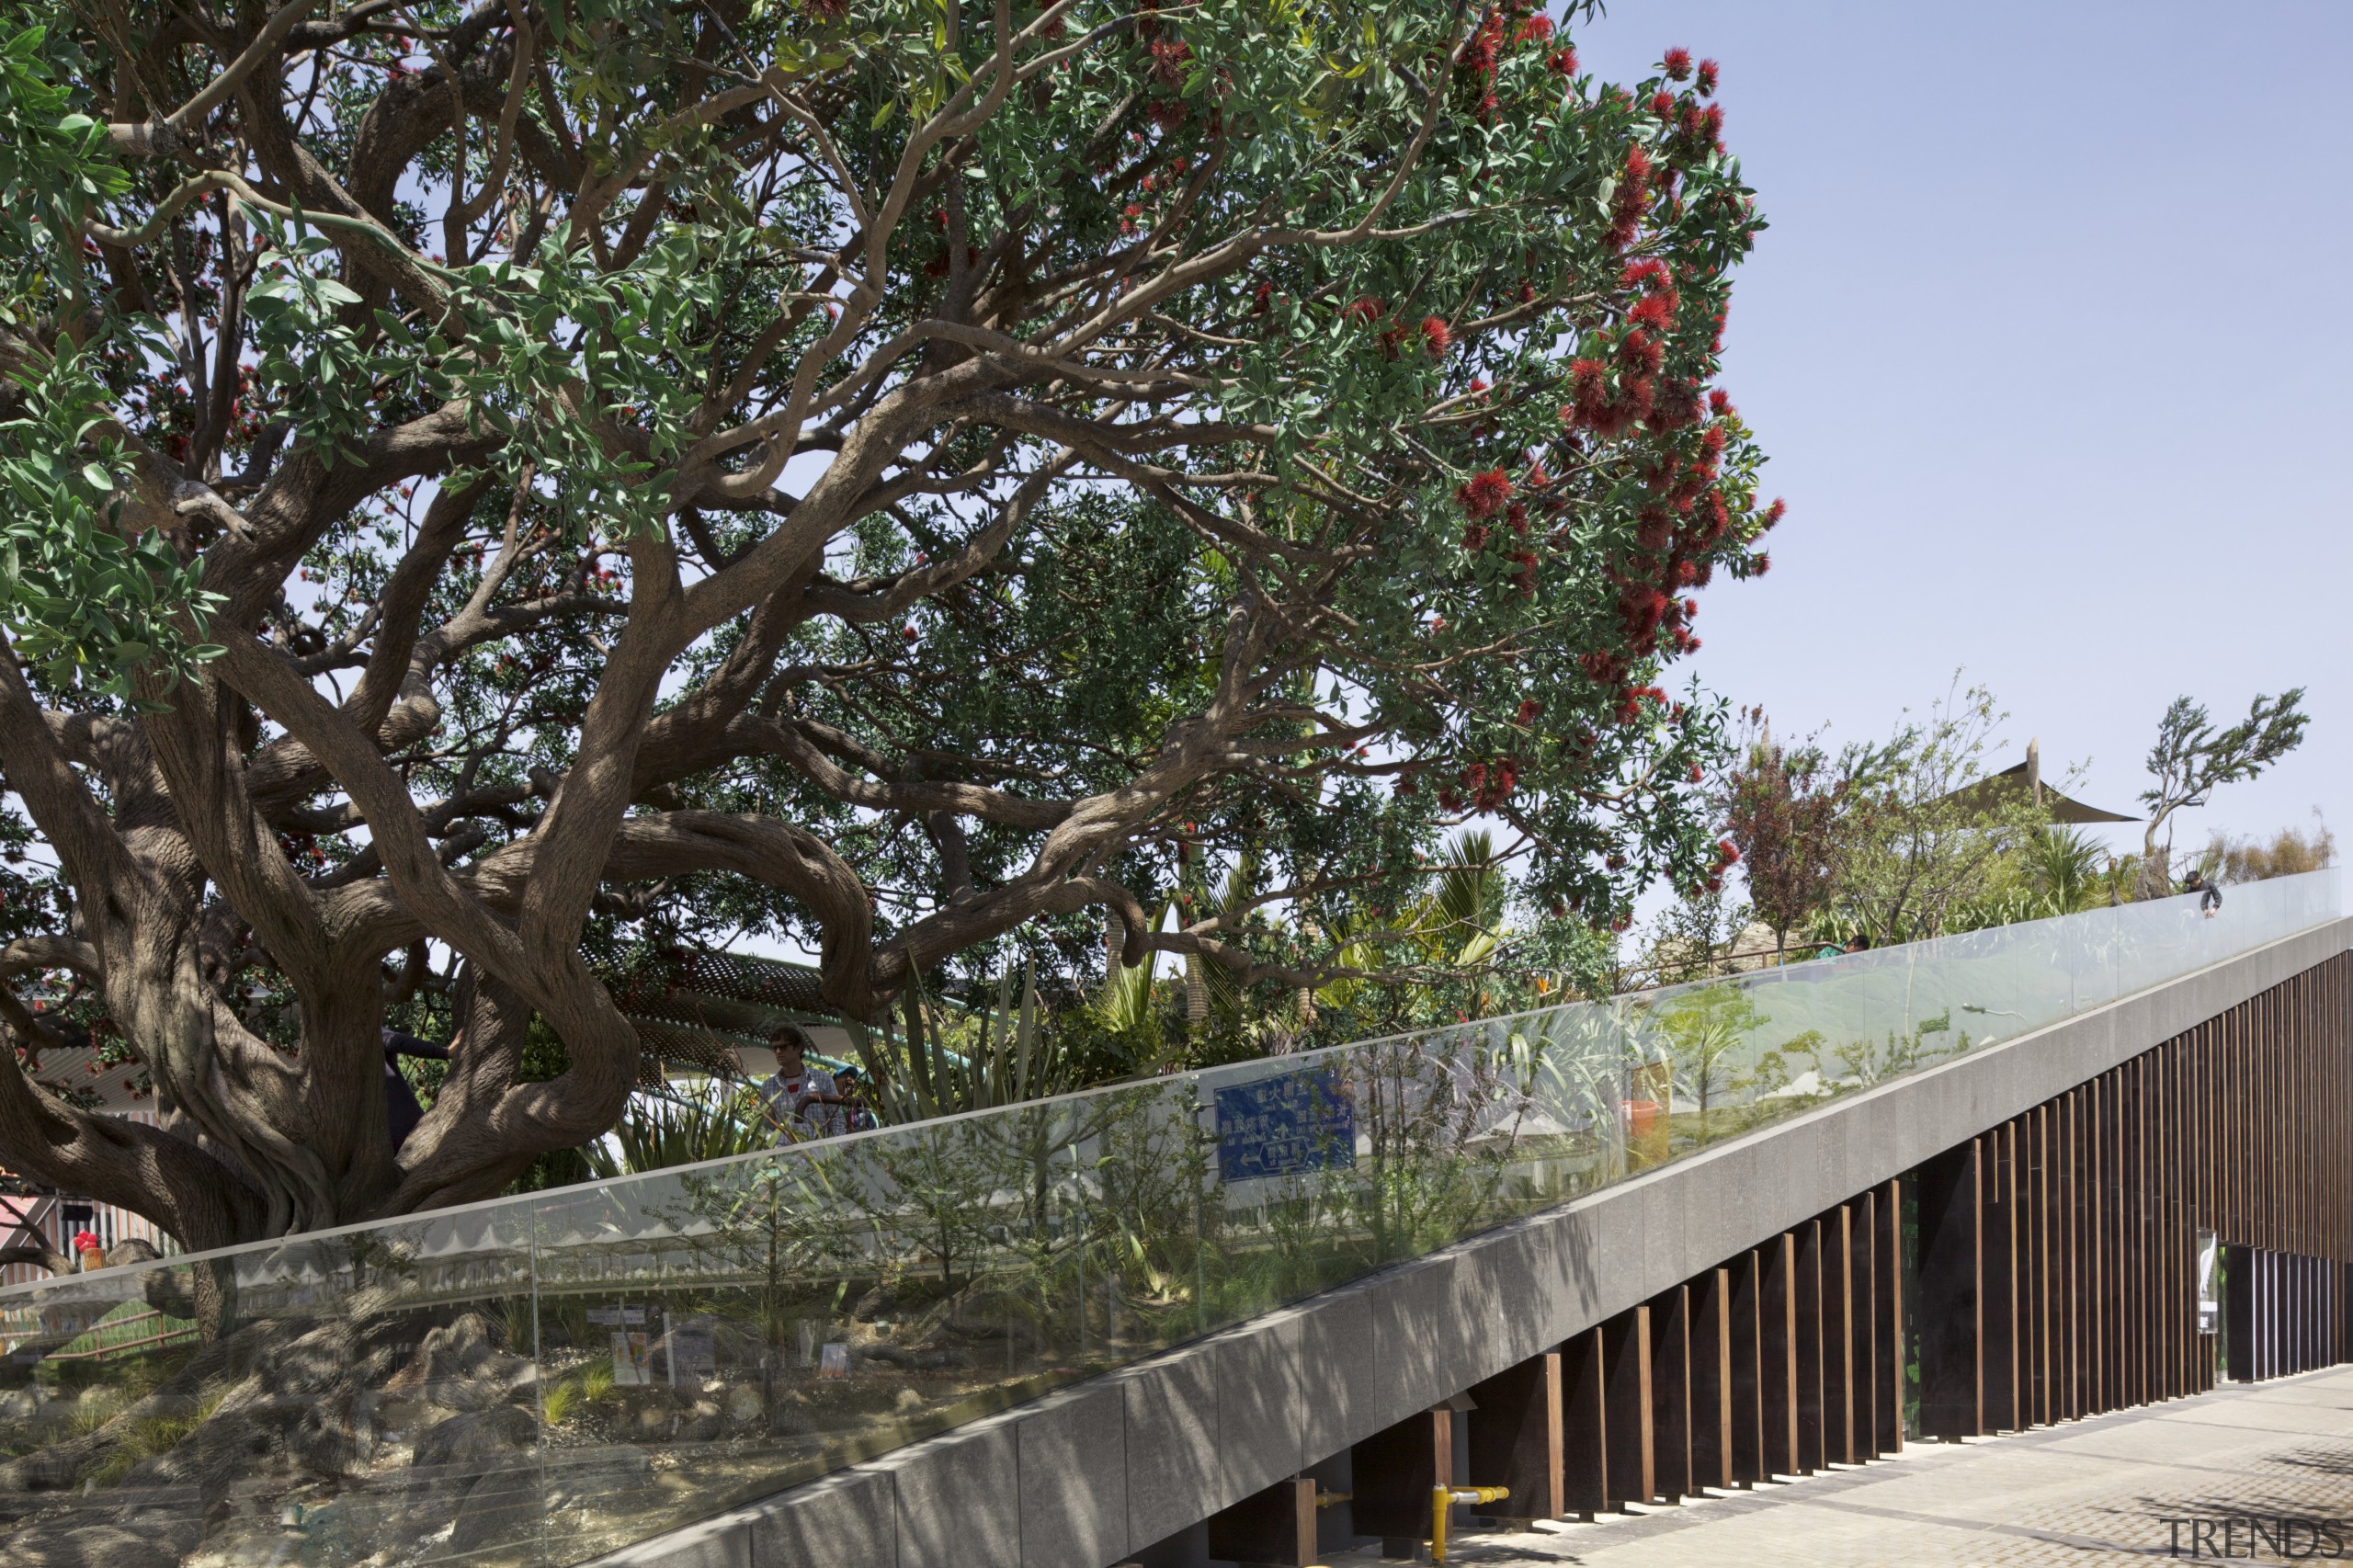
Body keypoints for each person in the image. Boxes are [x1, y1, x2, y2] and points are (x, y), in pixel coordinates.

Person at [756, 1022, 849, 1142]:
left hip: (818, 1156)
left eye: (783, 1047)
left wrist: (837, 1150)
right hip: (784, 1157)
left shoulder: (822, 1079)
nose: (778, 1051)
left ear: (798, 1048)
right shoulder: (768, 1087)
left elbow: (836, 1118)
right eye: (775, 1048)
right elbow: (764, 1127)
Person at [381, 1028, 455, 1149]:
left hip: (378, 1144)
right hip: (408, 1128)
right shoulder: (367, 1033)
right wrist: (446, 1052)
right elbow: (398, 1041)